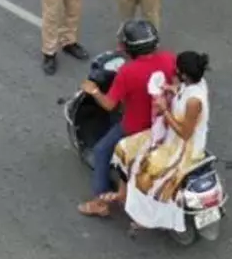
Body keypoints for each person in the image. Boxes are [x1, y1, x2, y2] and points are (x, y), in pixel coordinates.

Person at [75, 19, 176, 218]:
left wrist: (94, 90)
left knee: (101, 150)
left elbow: (109, 105)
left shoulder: (127, 72)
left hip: (136, 129)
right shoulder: (169, 59)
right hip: (165, 122)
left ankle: (99, 202)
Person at [117, 51, 211, 233]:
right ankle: (125, 194)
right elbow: (182, 93)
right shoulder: (194, 85)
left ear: (184, 75)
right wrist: (171, 89)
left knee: (145, 169)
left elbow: (185, 133)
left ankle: (147, 217)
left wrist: (164, 110)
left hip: (183, 148)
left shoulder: (194, 101)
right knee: (126, 147)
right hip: (173, 137)